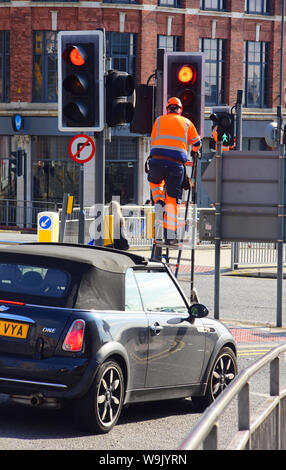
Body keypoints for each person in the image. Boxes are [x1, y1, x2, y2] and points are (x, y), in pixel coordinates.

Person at [147, 96, 201, 245]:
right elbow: (197, 143)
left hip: (156, 161)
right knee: (172, 202)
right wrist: (194, 152)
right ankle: (170, 237)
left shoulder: (158, 121)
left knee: (154, 182)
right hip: (175, 166)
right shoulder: (187, 123)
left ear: (167, 109)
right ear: (180, 110)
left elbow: (153, 141)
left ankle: (158, 200)